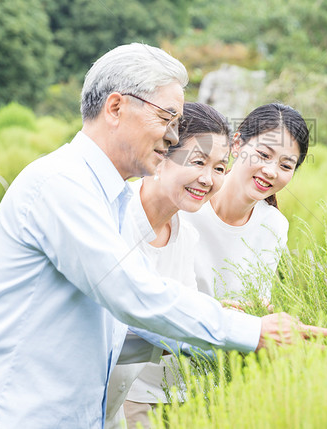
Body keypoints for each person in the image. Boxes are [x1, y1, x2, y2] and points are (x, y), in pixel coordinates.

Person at [0, 44, 327, 429]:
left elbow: (133, 327)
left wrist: (228, 325)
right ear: (116, 107)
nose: (174, 136)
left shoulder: (111, 200)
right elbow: (132, 294)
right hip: (14, 416)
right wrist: (251, 332)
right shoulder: (61, 186)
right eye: (167, 118)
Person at [105, 102, 231, 429]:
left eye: (220, 168)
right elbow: (114, 328)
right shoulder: (111, 218)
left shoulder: (185, 235)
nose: (208, 179)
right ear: (162, 156)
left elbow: (182, 307)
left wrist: (220, 313)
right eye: (198, 161)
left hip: (115, 407)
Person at [183, 103, 310, 305]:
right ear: (237, 145)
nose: (271, 171)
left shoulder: (274, 225)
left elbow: (256, 303)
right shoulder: (187, 205)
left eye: (285, 166)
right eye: (263, 155)